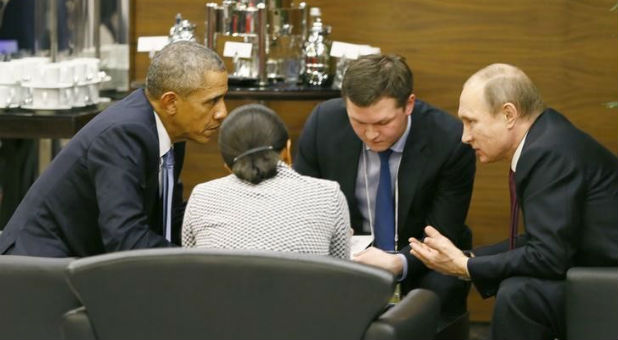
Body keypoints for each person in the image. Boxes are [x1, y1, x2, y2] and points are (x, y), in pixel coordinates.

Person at [409, 63, 618, 340]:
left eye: (471, 121)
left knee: (519, 295)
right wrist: (468, 257)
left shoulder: (547, 152)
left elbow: (548, 256)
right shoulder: (546, 137)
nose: (465, 136)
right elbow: (546, 240)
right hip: (592, 270)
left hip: (606, 280)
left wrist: (466, 267)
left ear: (508, 114)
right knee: (518, 290)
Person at [0, 41, 228, 257]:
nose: (222, 112)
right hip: (37, 268)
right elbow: (125, 238)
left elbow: (167, 219)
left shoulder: (172, 132)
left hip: (78, 265)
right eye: (212, 101)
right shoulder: (124, 134)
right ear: (170, 103)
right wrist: (194, 262)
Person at [294, 54, 476, 322]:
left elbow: (442, 233)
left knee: (438, 294)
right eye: (358, 122)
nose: (370, 135)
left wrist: (398, 263)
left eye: (382, 123)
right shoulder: (325, 123)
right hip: (346, 261)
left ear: (409, 105)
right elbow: (302, 205)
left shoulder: (449, 140)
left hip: (423, 263)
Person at [182, 104, 350, 259]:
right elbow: (342, 274)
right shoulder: (329, 195)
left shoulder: (201, 197)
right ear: (287, 149)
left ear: (227, 167)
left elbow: (193, 271)